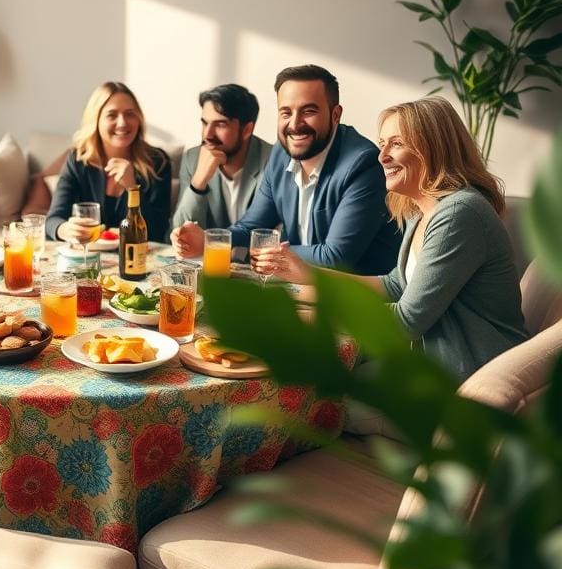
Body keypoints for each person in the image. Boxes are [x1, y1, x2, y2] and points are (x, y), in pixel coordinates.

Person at [254, 97, 527, 381]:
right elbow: (395, 284)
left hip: (474, 376)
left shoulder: (459, 213)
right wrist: (309, 274)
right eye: (382, 143)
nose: (381, 156)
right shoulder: (421, 210)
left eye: (396, 144)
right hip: (435, 363)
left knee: (317, 393)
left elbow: (406, 322)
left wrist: (310, 315)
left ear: (434, 147)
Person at [172, 64, 401, 274]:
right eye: (286, 112)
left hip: (358, 299)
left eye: (308, 111)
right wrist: (208, 239)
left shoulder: (362, 163)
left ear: (335, 115)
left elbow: (336, 256)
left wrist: (270, 252)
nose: (294, 124)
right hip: (299, 285)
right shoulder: (282, 153)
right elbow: (252, 225)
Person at [46, 81, 172, 243]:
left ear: (139, 118)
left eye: (129, 114)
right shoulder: (78, 160)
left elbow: (158, 231)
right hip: (89, 257)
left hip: (138, 259)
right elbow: (53, 220)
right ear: (96, 120)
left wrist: (132, 187)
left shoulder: (158, 162)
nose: (122, 123)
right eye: (112, 115)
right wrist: (65, 230)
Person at [171, 83, 273, 232]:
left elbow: (275, 234)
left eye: (220, 125)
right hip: (207, 255)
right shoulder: (192, 159)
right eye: (205, 123)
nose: (208, 135)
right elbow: (179, 234)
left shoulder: (273, 161)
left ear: (246, 130)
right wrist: (198, 183)